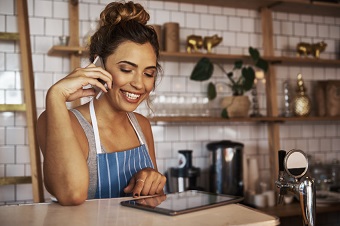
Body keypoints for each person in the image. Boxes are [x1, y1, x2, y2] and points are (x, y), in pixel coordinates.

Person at [37, 1, 166, 206]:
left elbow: (150, 199)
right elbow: (72, 194)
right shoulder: (57, 120)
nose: (139, 84)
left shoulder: (142, 126)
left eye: (148, 73)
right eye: (126, 69)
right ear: (99, 65)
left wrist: (151, 177)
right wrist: (55, 95)